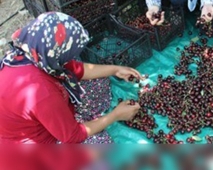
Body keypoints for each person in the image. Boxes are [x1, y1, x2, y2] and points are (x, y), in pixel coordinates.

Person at [0, 12, 142, 144]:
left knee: (100, 80)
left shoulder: (35, 51)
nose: (72, 57)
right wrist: (115, 115)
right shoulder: (41, 92)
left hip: (49, 112)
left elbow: (75, 69)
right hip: (39, 144)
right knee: (100, 143)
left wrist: (115, 70)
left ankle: (79, 117)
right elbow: (72, 135)